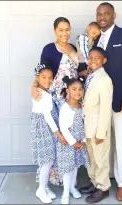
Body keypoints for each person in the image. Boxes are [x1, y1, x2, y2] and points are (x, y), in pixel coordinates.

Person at [95, 2, 122, 201]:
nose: (102, 17)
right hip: (99, 104)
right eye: (99, 14)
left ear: (114, 15)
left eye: (106, 13)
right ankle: (106, 178)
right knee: (103, 143)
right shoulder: (95, 39)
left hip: (120, 100)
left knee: (121, 142)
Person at [30, 63, 67, 204]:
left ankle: (44, 187)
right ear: (37, 78)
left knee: (49, 159)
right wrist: (58, 134)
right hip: (44, 128)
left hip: (49, 126)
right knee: (47, 160)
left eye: (50, 77)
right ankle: (40, 189)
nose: (47, 80)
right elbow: (47, 116)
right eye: (43, 77)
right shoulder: (40, 93)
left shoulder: (45, 90)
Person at [80, 47, 113, 203]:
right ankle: (95, 183)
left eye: (97, 58)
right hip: (88, 127)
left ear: (104, 60)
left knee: (100, 160)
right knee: (92, 159)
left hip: (98, 130)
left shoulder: (104, 80)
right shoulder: (91, 76)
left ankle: (103, 188)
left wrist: (101, 133)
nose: (93, 60)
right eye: (91, 58)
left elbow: (106, 109)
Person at [32, 17, 79, 109]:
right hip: (56, 96)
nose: (64, 33)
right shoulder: (49, 49)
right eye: (61, 30)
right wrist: (34, 87)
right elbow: (42, 73)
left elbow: (75, 70)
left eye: (67, 30)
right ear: (55, 31)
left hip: (73, 96)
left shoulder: (74, 47)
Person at [57, 76, 90, 204]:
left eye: (80, 89)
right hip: (68, 143)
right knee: (68, 168)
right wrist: (73, 142)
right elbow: (63, 128)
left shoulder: (82, 106)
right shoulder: (65, 107)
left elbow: (85, 125)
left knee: (75, 166)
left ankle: (72, 187)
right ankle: (65, 192)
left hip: (79, 143)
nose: (77, 92)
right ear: (68, 90)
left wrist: (83, 141)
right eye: (74, 89)